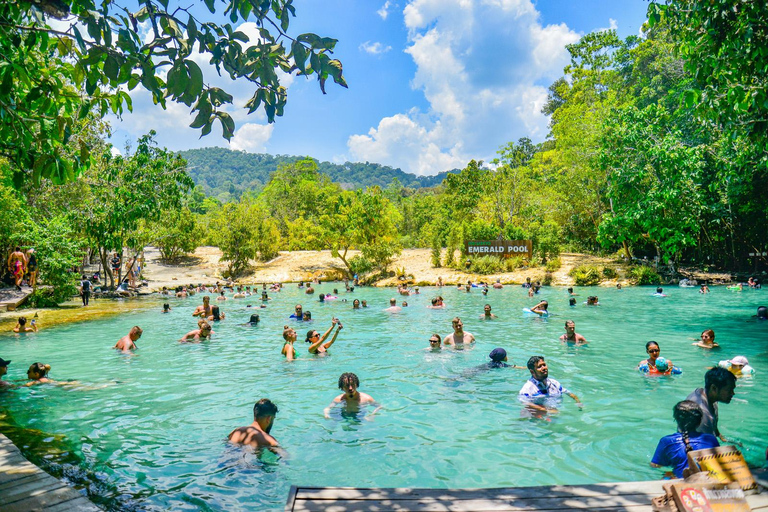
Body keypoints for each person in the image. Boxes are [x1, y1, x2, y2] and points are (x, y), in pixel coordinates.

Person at [650, 400, 720, 478]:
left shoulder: (667, 441)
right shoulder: (711, 440)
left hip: (682, 482)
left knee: (667, 475)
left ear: (676, 420)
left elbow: (655, 466)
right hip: (707, 480)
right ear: (699, 421)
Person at [686, 367, 736, 442]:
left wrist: (722, 438)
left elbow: (714, 427)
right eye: (729, 390)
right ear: (714, 388)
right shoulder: (703, 417)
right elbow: (705, 448)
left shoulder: (708, 396)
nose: (733, 393)